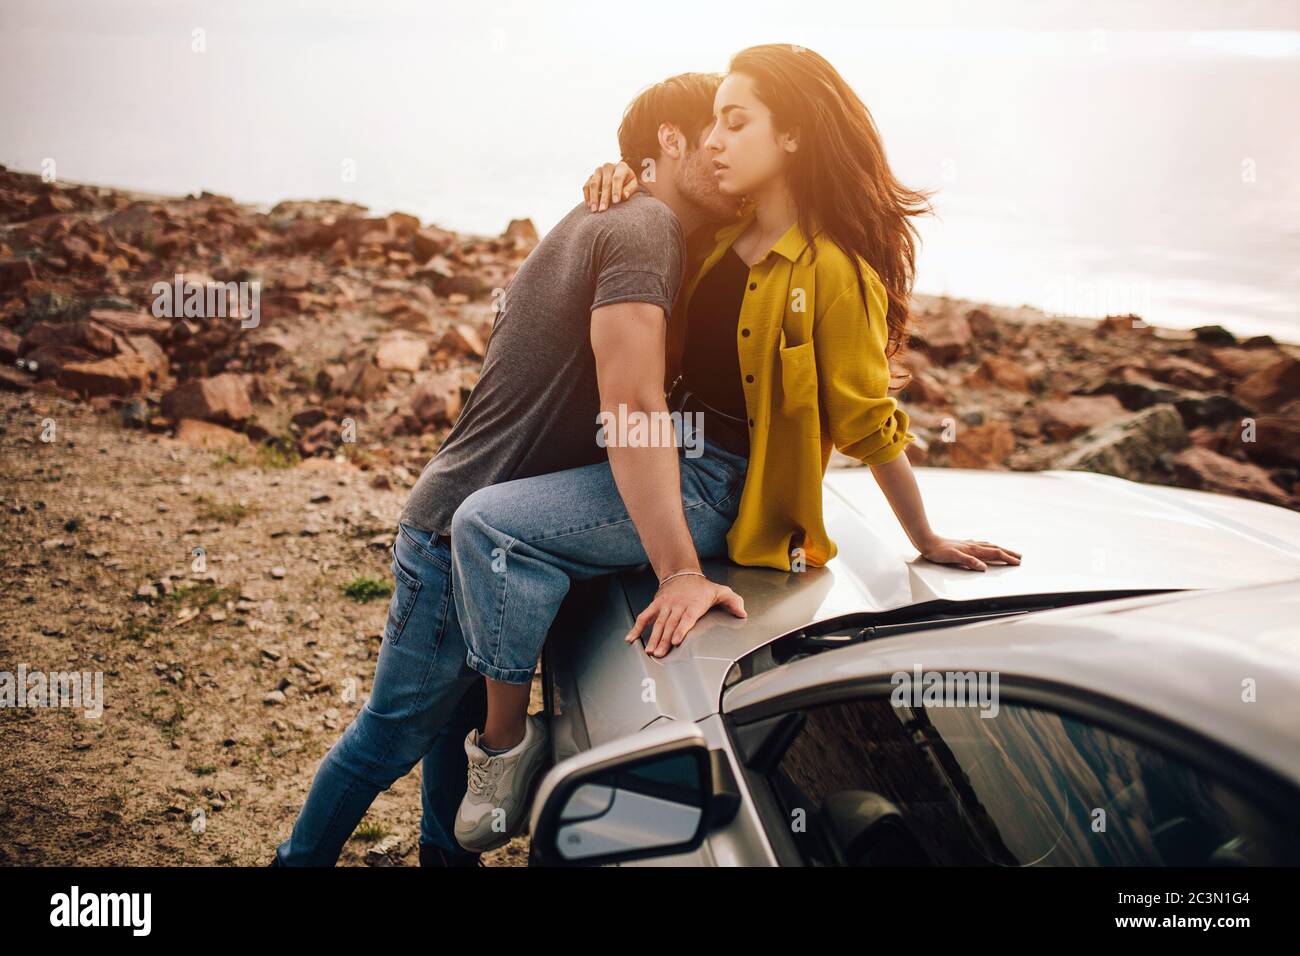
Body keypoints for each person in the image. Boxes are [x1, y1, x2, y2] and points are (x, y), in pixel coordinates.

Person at [450, 44, 1021, 853]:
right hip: (670, 455)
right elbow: (647, 248)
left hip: (726, 486)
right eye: (711, 122)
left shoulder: (834, 271)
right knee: (499, 521)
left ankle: (504, 755)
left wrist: (924, 539)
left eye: (735, 120)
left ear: (790, 138)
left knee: (488, 524)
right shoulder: (719, 240)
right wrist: (619, 176)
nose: (712, 139)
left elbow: (866, 418)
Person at [273, 72, 745, 865]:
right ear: (671, 140)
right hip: (461, 529)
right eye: (719, 130)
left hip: (469, 520)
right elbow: (629, 404)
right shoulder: (644, 228)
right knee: (388, 738)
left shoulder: (625, 213)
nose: (731, 154)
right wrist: (680, 570)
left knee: (447, 746)